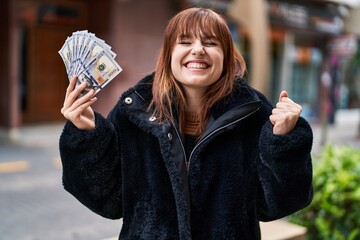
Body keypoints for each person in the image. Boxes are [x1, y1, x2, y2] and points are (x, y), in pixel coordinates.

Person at [59, 7, 313, 240]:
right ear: (169, 54)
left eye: (211, 42)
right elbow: (108, 201)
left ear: (226, 57)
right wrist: (87, 136)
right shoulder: (134, 109)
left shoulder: (255, 113)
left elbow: (278, 204)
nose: (198, 49)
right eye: (185, 41)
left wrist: (283, 140)